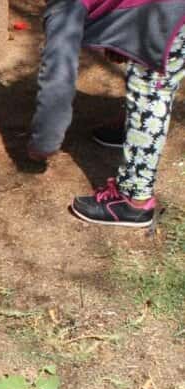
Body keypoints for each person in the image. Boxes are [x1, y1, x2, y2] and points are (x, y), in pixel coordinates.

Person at [27, 0, 185, 227]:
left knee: (151, 87)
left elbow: (58, 80)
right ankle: (132, 131)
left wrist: (44, 143)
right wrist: (119, 36)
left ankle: (134, 200)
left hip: (169, 14)